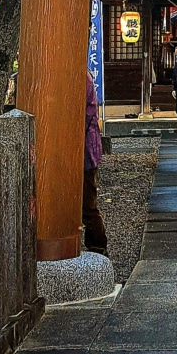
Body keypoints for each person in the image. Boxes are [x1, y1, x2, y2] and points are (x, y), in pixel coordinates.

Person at [82, 71, 108, 252]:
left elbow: (83, 116)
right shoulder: (84, 76)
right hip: (86, 147)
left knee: (88, 206)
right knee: (87, 204)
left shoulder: (82, 78)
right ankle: (96, 246)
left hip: (85, 148)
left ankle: (98, 247)